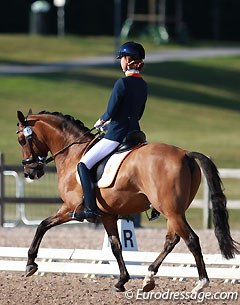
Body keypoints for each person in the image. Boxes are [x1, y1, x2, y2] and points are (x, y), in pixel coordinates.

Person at [75, 41, 148, 223]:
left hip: (116, 135)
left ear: (128, 60)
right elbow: (138, 113)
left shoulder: (122, 83)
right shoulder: (143, 85)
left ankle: (90, 209)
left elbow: (111, 110)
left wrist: (102, 121)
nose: (120, 62)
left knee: (83, 165)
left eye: (122, 58)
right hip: (135, 134)